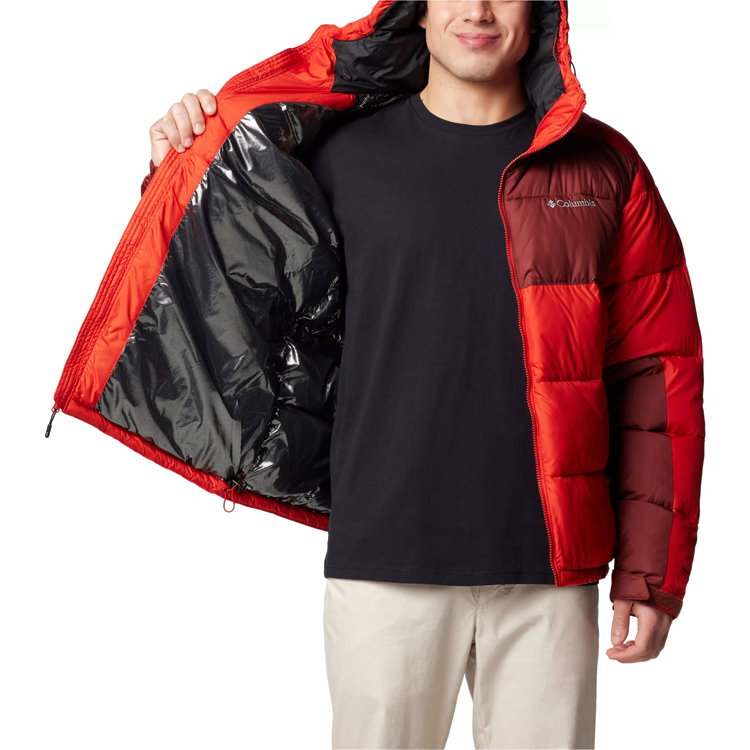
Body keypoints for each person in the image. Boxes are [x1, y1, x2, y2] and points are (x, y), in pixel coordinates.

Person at [138, 2, 704, 748]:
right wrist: (179, 165)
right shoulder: (339, 155)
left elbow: (655, 377)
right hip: (384, 563)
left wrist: (650, 573)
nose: (477, 10)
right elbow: (228, 287)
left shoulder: (602, 168)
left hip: (550, 572)